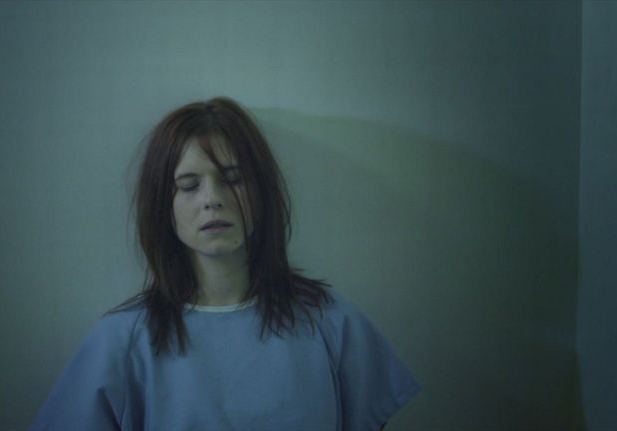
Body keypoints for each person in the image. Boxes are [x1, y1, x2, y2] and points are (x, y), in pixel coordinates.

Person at [29, 97, 420, 431]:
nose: (212, 199)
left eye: (232, 179)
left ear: (261, 192)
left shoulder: (331, 321)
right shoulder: (121, 341)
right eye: (189, 185)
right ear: (164, 205)